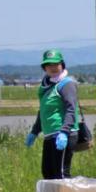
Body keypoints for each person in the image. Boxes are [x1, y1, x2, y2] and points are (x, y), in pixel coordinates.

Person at [25, 49, 80, 179]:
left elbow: (71, 109)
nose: (53, 68)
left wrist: (64, 132)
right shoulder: (45, 87)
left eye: (56, 64)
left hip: (63, 134)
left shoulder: (66, 84)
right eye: (49, 65)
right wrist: (34, 131)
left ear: (62, 65)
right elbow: (43, 111)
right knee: (48, 173)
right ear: (44, 68)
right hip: (49, 135)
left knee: (61, 174)